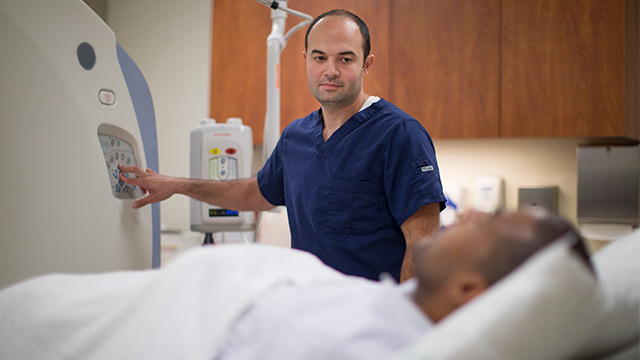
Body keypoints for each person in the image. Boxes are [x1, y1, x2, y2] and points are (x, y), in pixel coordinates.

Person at [119, 9, 446, 282]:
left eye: (345, 59)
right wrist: (176, 185)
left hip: (370, 321)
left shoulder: (399, 134)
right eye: (320, 57)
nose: (330, 71)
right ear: (305, 59)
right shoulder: (296, 137)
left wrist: (403, 321)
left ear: (367, 64)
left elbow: (423, 242)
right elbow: (253, 193)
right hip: (308, 310)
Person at [0, 209, 591, 360]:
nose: (468, 215)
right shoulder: (392, 304)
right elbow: (255, 189)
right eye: (318, 56)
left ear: (470, 291)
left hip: (103, 322)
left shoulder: (371, 343)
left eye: (489, 225)